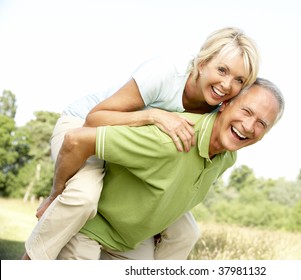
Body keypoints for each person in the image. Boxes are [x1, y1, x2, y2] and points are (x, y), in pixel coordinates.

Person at [23, 27, 260, 260]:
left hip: (122, 144)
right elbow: (94, 119)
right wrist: (153, 115)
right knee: (83, 197)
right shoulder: (164, 74)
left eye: (239, 80)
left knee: (185, 232)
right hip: (84, 124)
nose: (227, 85)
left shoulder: (219, 109)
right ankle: (33, 257)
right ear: (202, 63)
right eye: (222, 70)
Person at [54, 77, 285, 259]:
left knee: (186, 232)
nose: (249, 126)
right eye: (246, 111)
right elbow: (78, 139)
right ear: (225, 104)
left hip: (125, 238)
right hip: (83, 118)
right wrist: (56, 193)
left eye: (262, 123)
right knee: (82, 197)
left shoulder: (227, 156)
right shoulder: (171, 133)